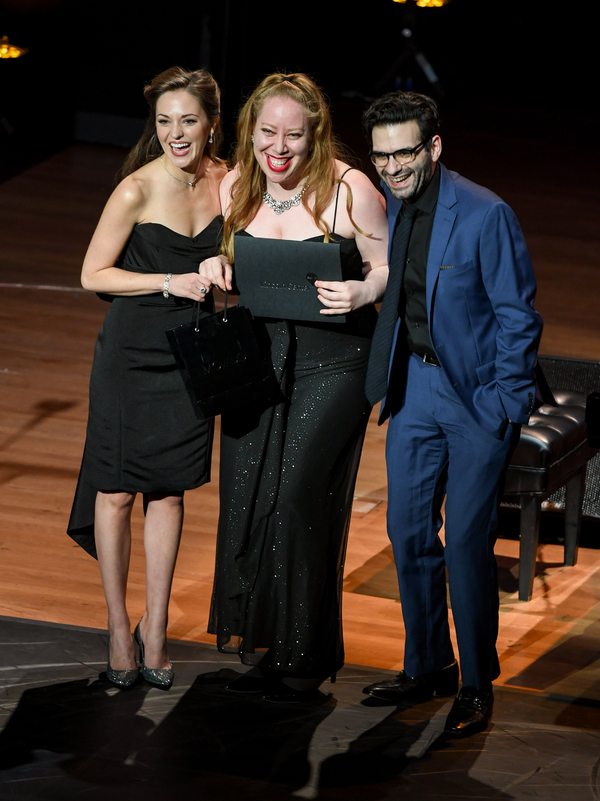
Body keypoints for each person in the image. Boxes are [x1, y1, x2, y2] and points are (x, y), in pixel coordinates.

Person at [200, 72, 389, 702]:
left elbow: (389, 263)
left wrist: (365, 288)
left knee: (300, 492)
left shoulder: (348, 187)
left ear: (316, 135)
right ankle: (265, 639)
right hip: (259, 355)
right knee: (249, 494)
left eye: (294, 135)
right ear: (251, 131)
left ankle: (306, 650)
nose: (279, 148)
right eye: (267, 133)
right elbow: (229, 260)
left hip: (335, 358)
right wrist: (213, 264)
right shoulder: (235, 185)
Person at [361, 91, 543, 735]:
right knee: (408, 532)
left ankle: (474, 681)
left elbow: (519, 317)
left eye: (404, 153)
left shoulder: (486, 214)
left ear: (433, 147)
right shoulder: (395, 203)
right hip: (413, 388)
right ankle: (428, 665)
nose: (392, 167)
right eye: (381, 156)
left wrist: (501, 406)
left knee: (465, 540)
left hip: (474, 398)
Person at [67, 67, 226, 688]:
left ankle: (155, 629)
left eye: (187, 120)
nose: (175, 133)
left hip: (191, 355)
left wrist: (225, 260)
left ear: (212, 122)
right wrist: (166, 280)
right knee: (116, 490)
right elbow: (92, 274)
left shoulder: (230, 180)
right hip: (131, 355)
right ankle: (116, 627)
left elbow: (251, 244)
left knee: (170, 490)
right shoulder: (135, 190)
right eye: (164, 121)